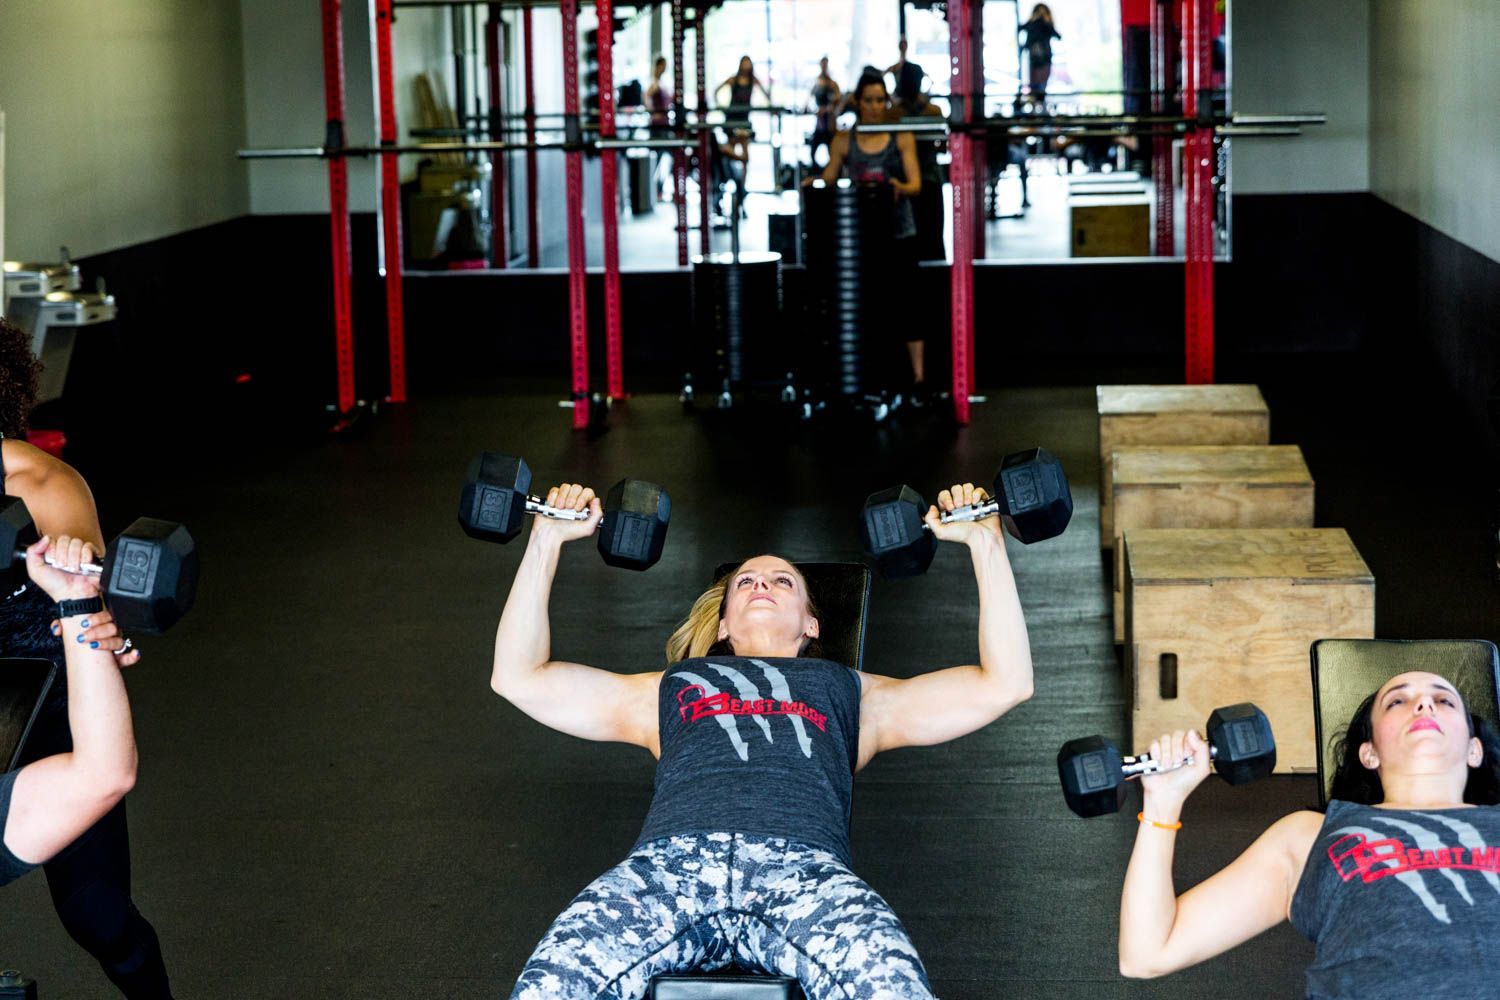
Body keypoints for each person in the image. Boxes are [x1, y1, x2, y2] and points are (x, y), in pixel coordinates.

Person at [501, 480, 1033, 999]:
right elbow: (519, 677)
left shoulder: (853, 692)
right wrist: (546, 540)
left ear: (812, 624)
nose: (761, 584)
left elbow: (1004, 683)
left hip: (802, 875)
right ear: (724, 624)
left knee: (893, 987)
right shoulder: (668, 687)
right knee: (549, 985)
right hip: (669, 870)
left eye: (782, 582)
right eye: (745, 582)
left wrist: (986, 542)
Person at [1119, 670, 1500, 996]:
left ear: (1474, 749)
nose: (1424, 705)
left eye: (1444, 701)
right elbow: (1147, 953)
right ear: (1369, 753)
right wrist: (1162, 803)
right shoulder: (1310, 836)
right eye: (1397, 702)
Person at [0, 316, 171, 998]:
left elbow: (83, 578)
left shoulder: (43, 483)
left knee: (96, 914)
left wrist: (80, 585)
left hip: (47, 707)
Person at [815, 72, 928, 401]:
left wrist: (896, 187)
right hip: (861, 239)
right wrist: (815, 183)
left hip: (899, 232)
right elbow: (829, 179)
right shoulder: (844, 140)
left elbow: (916, 185)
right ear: (858, 102)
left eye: (881, 100)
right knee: (867, 307)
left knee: (909, 306)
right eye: (869, 100)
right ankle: (868, 376)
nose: (876, 107)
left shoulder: (900, 136)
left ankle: (918, 379)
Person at [644, 55, 675, 201]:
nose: (664, 68)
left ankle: (659, 190)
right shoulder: (655, 83)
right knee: (659, 159)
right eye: (663, 65)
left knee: (671, 156)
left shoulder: (663, 83)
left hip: (665, 125)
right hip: (658, 126)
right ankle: (656, 191)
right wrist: (652, 112)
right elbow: (646, 96)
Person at [1019, 5, 1061, 104]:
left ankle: (1036, 105)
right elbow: (1058, 36)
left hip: (1036, 59)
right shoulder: (1045, 25)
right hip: (1042, 59)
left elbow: (1020, 28)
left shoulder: (1033, 24)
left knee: (1036, 85)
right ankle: (1038, 105)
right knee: (1040, 86)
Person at [808, 56, 842, 166]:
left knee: (832, 150)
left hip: (829, 122)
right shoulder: (818, 82)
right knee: (813, 150)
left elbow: (838, 100)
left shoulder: (832, 84)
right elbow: (810, 97)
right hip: (820, 122)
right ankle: (817, 171)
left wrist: (827, 109)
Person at [886, 37, 925, 113]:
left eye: (904, 45)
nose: (903, 47)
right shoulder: (896, 67)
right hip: (899, 100)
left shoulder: (914, 68)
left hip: (909, 100)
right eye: (902, 45)